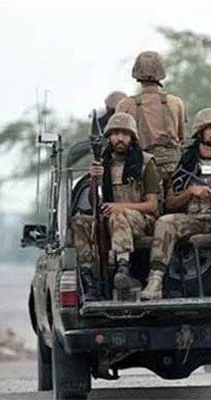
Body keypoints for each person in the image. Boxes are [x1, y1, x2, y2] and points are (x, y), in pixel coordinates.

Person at [140, 108, 211, 300]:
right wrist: (191, 192)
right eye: (209, 128)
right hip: (193, 219)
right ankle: (155, 281)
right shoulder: (185, 163)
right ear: (199, 133)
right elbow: (170, 202)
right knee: (165, 222)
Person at [72, 112, 160, 300]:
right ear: (109, 137)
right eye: (115, 133)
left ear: (132, 137)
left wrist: (120, 207)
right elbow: (95, 202)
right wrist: (95, 179)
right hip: (110, 218)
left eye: (124, 134)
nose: (120, 138)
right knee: (79, 222)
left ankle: (123, 268)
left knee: (117, 215)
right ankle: (89, 280)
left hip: (141, 221)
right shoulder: (103, 163)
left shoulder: (146, 163)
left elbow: (152, 205)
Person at [116, 51, 186, 199]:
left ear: (136, 72)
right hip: (174, 168)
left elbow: (118, 139)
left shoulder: (126, 104)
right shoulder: (176, 102)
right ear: (161, 72)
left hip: (142, 168)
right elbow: (181, 138)